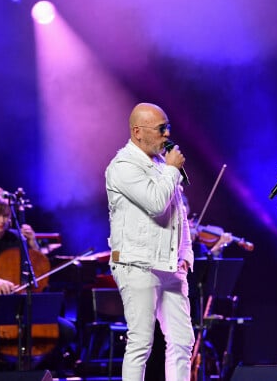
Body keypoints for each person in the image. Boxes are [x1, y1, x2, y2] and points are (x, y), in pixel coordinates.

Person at [105, 102, 195, 381]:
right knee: (141, 342)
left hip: (169, 265)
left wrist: (186, 255)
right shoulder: (121, 166)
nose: (167, 135)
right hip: (137, 264)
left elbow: (177, 214)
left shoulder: (159, 165)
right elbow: (156, 203)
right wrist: (172, 170)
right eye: (161, 129)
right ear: (138, 132)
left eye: (168, 128)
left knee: (182, 340)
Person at [0, 187, 76, 373]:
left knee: (67, 330)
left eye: (6, 215)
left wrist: (33, 244)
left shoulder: (17, 239)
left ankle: (33, 367)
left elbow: (40, 271)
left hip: (21, 306)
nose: (3, 221)